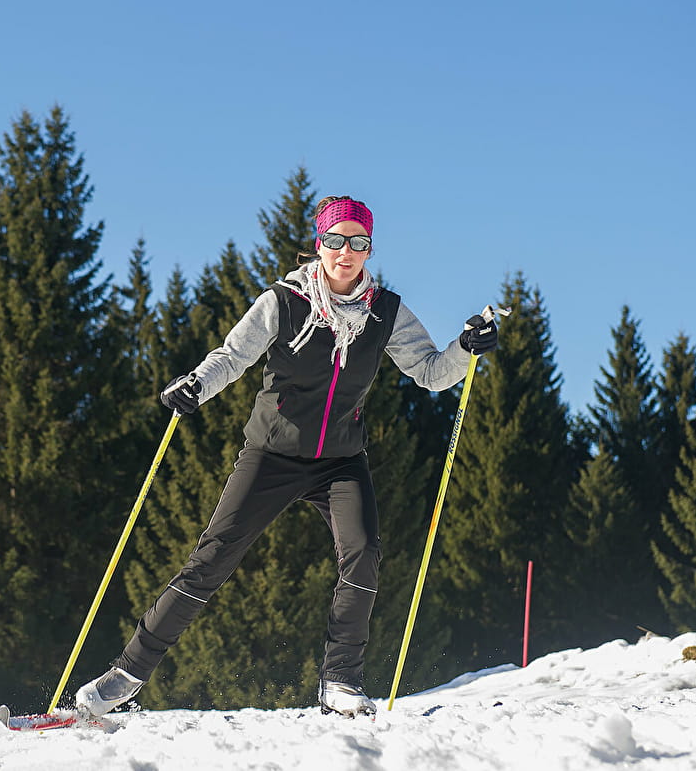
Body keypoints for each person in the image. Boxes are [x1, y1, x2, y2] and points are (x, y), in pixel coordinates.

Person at [75, 195, 499, 719]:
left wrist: (466, 345)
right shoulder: (284, 301)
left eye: (359, 242)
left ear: (370, 249)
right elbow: (232, 357)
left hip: (341, 459)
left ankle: (340, 682)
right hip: (272, 453)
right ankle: (127, 675)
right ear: (319, 244)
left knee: (362, 552)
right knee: (211, 559)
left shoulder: (384, 311)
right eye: (336, 240)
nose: (346, 252)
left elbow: (433, 372)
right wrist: (194, 387)